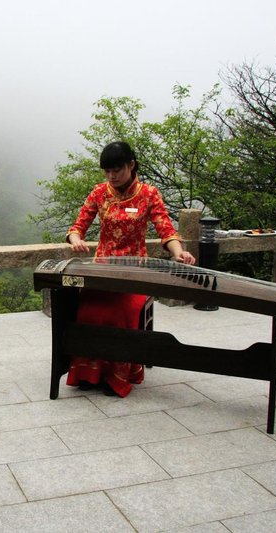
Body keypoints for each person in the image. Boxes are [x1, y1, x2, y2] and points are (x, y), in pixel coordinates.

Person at [65, 141, 195, 397]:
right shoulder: (99, 192)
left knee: (122, 313)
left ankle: (115, 377)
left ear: (131, 165)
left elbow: (166, 229)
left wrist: (179, 252)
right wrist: (76, 240)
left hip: (135, 271)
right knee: (90, 311)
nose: (111, 177)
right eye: (107, 171)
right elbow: (77, 227)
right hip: (103, 271)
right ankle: (88, 374)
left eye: (117, 170)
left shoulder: (149, 194)